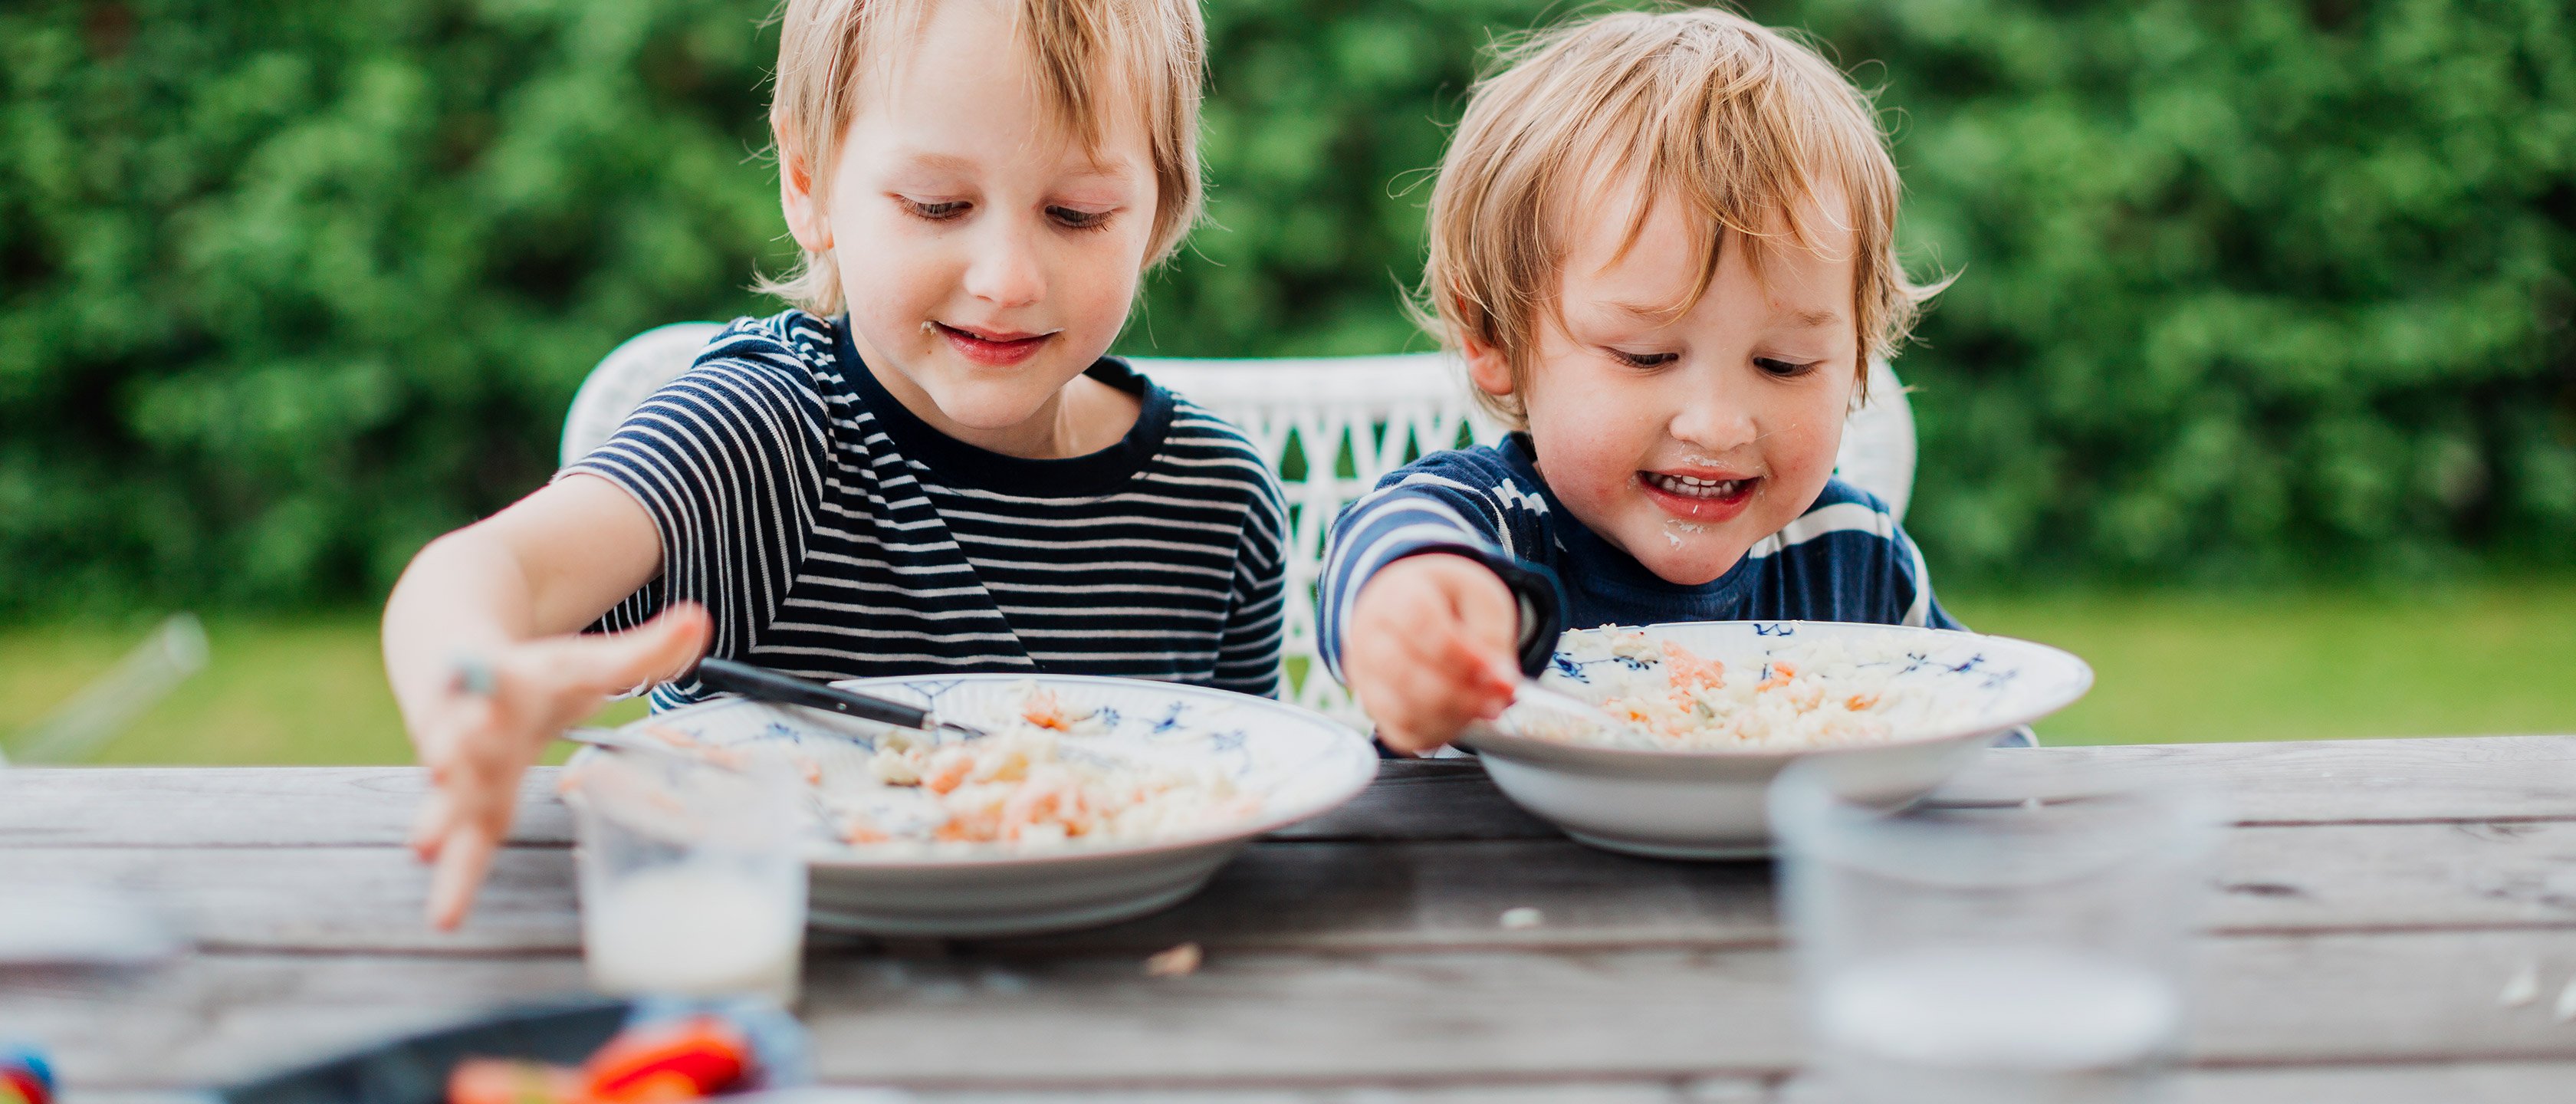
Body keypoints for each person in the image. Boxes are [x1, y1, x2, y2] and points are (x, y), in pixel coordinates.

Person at [383, 0, 1286, 928]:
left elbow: (1247, 793)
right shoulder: (763, 437)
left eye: (1077, 212)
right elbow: (486, 572)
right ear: (809, 181)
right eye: (938, 205)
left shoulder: (1215, 500)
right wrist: (468, 680)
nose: (1007, 279)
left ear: (1162, 208)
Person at [1321, 8, 1988, 755]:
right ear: (1495, 338)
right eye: (1646, 356)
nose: (1718, 424)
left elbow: (1976, 736)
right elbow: (1388, 551)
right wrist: (1420, 608)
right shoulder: (1492, 525)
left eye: (1784, 365)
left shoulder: (1852, 554)